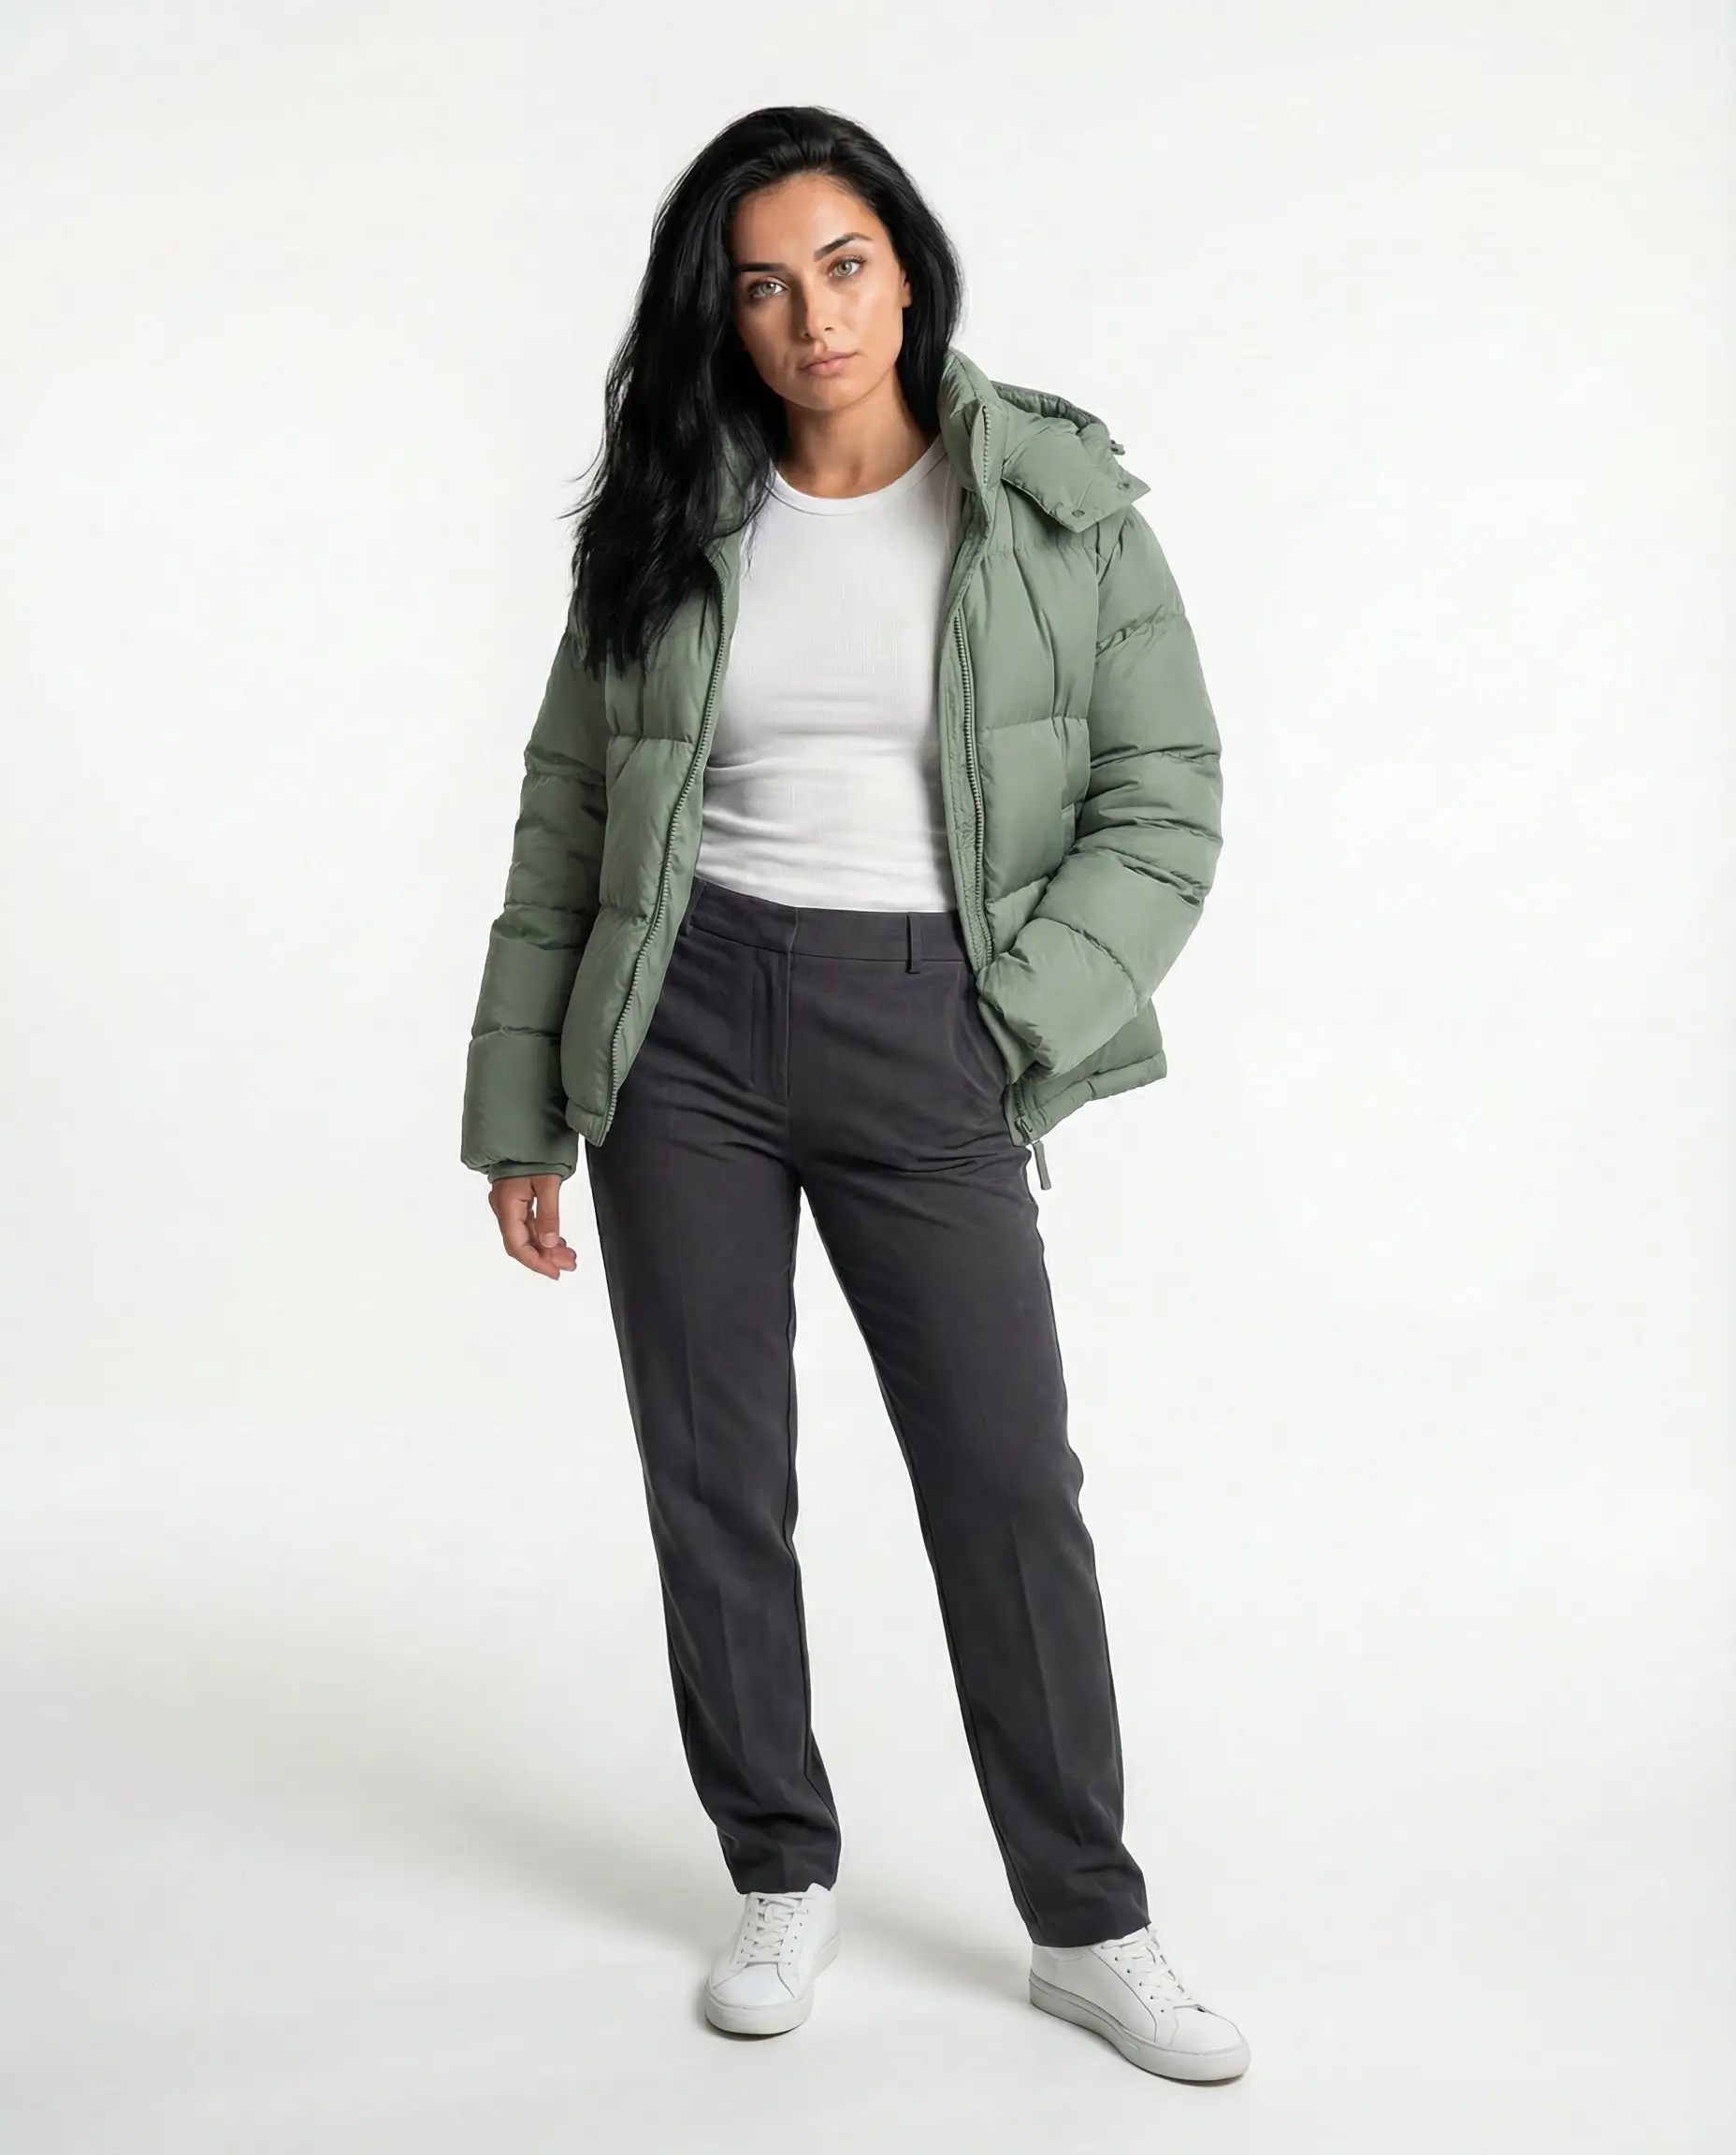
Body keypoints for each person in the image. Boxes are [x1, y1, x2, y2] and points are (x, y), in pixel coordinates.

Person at [459, 104, 1246, 2084]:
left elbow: (1165, 798)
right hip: (682, 1031)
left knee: (1006, 1485)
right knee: (715, 1477)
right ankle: (776, 1867)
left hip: (933, 1029)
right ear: (717, 315)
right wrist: (523, 1101)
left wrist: (1009, 1022)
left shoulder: (1053, 503)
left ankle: (1090, 1922)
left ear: (905, 269)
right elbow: (569, 816)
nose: (812, 316)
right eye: (762, 286)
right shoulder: (669, 516)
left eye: (843, 265)